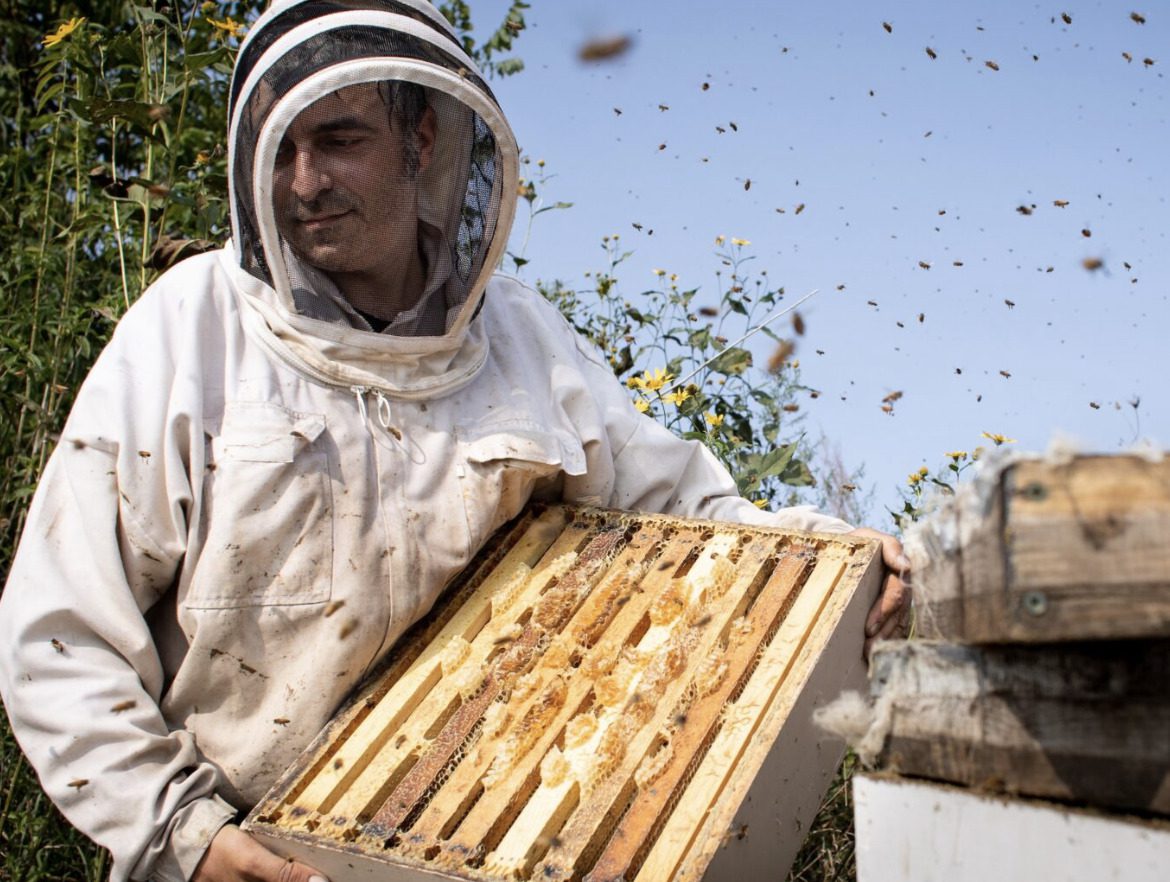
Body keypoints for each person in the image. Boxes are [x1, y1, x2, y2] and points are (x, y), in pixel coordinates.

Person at [0, 3, 910, 881]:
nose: (305, 182)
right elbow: (58, 632)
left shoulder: (524, 342)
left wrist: (839, 561)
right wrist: (184, 834)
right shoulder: (189, 330)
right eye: (282, 149)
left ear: (424, 138)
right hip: (238, 851)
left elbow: (690, 519)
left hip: (488, 844)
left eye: (340, 139)